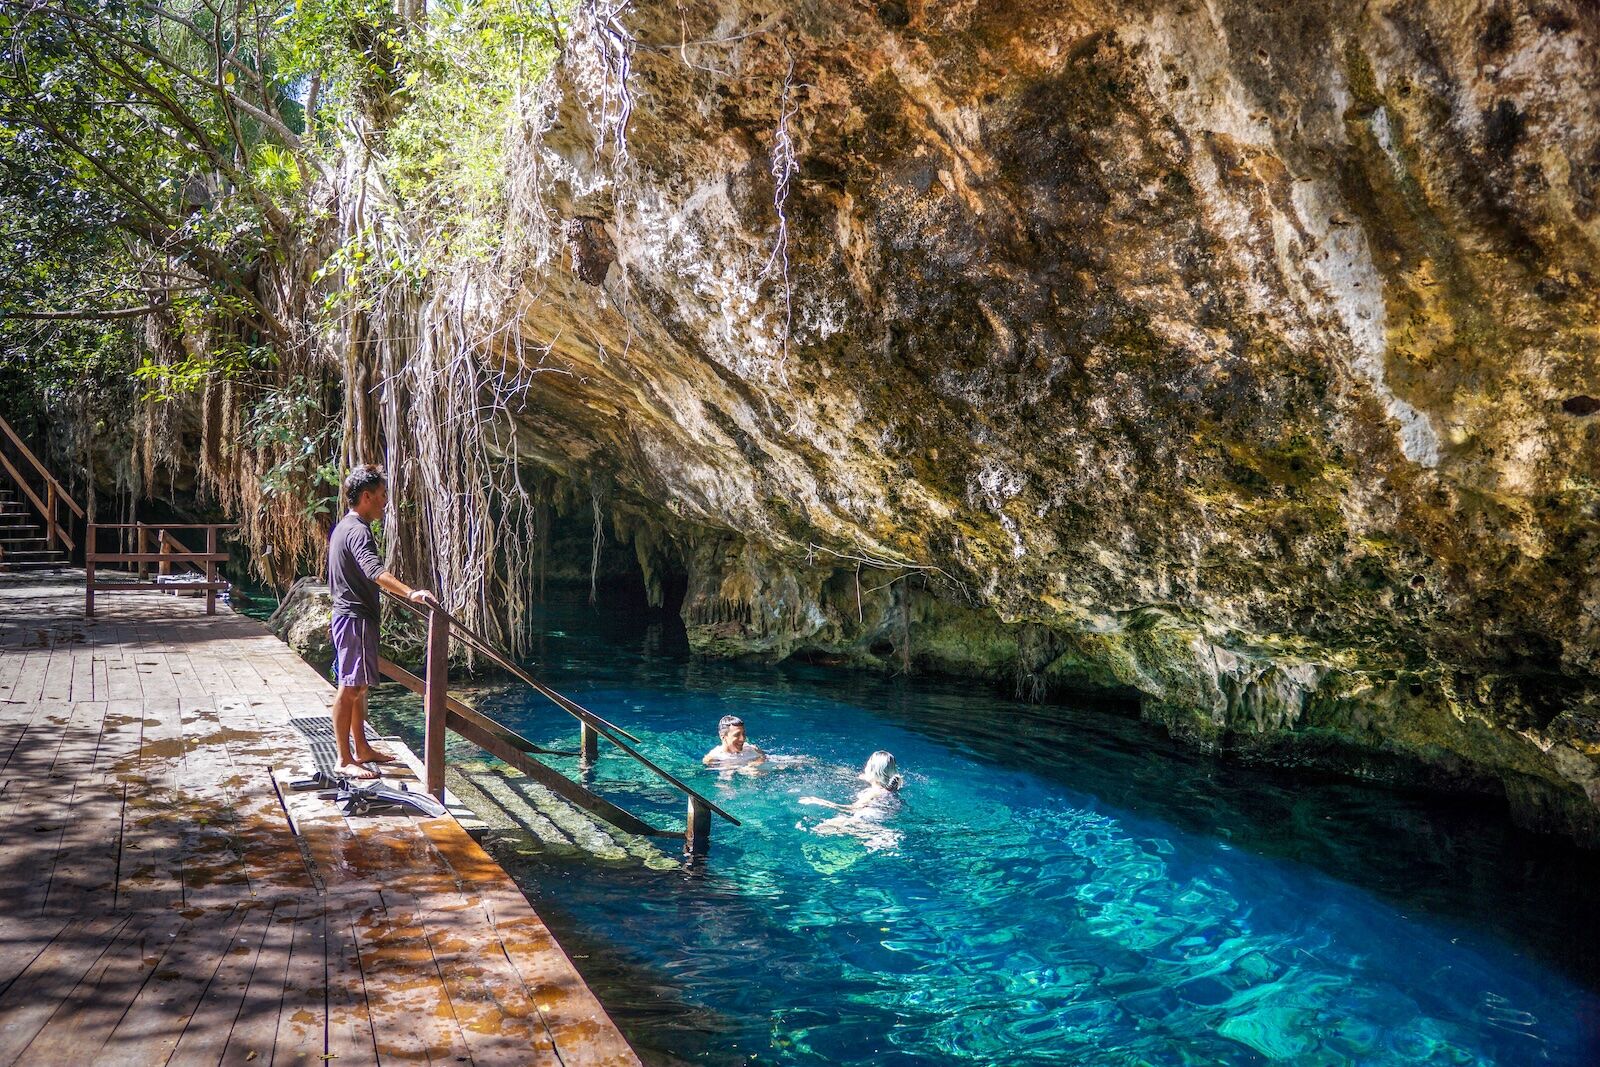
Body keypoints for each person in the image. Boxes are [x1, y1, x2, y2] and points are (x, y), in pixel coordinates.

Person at [328, 464, 437, 779]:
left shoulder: (344, 527)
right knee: (350, 688)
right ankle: (344, 759)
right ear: (366, 496)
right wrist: (411, 593)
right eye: (381, 495)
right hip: (355, 619)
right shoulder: (358, 531)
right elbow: (374, 571)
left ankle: (361, 749)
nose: (385, 501)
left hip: (349, 617)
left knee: (357, 687)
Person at [800, 750, 905, 827]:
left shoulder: (872, 793)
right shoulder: (892, 788)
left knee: (819, 828)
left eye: (867, 765)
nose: (864, 768)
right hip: (881, 819)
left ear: (874, 771)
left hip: (865, 822)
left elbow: (851, 809)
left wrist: (818, 801)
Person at [702, 714, 766, 768]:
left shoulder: (750, 748)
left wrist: (755, 764)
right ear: (723, 737)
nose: (743, 738)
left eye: (743, 734)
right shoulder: (714, 757)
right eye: (737, 735)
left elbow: (763, 756)